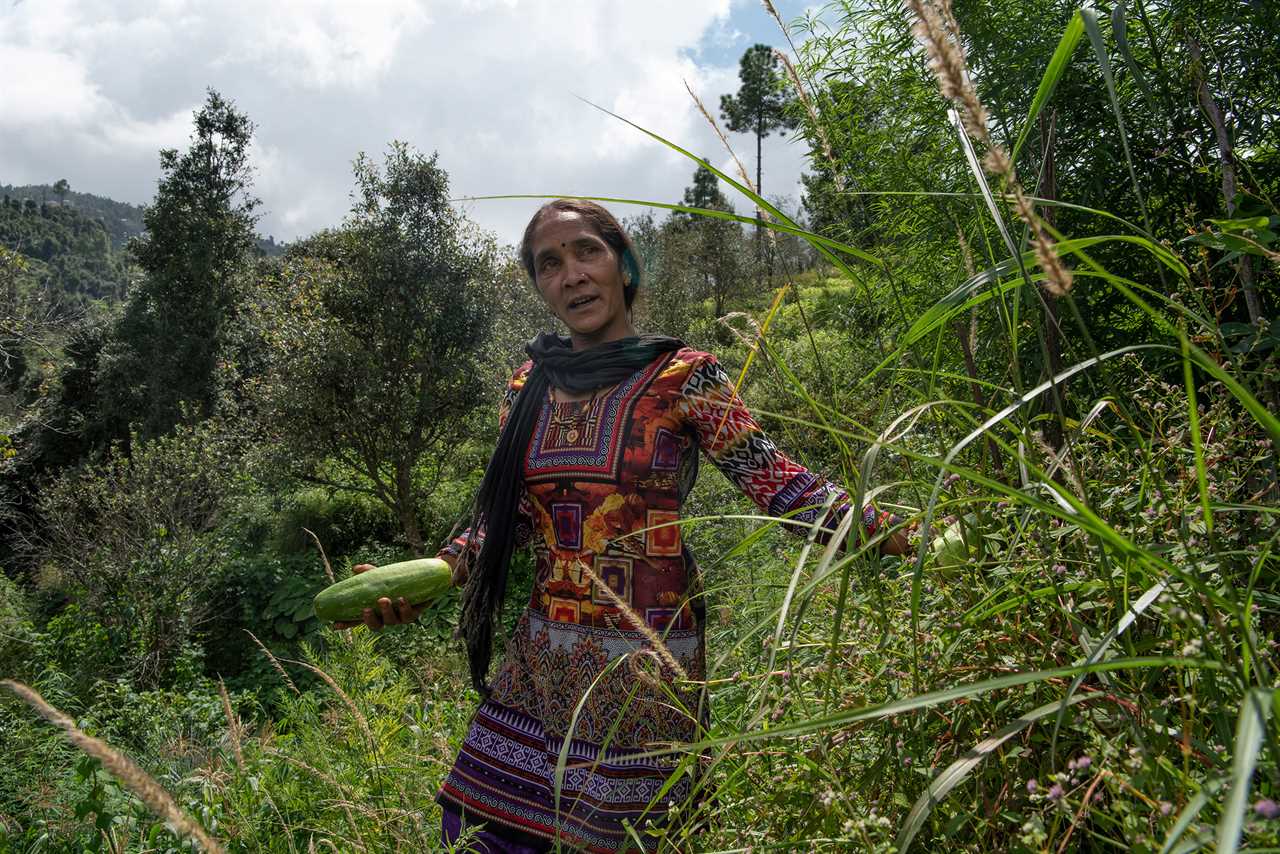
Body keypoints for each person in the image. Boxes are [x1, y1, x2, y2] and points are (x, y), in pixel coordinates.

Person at [345, 200, 909, 853]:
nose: (572, 275)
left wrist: (888, 529)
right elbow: (508, 519)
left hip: (646, 676)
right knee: (478, 834)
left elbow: (775, 481)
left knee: (630, 842)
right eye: (549, 264)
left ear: (624, 263)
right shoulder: (527, 384)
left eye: (587, 251)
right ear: (539, 286)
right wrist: (439, 572)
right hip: (541, 666)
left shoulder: (684, 376)